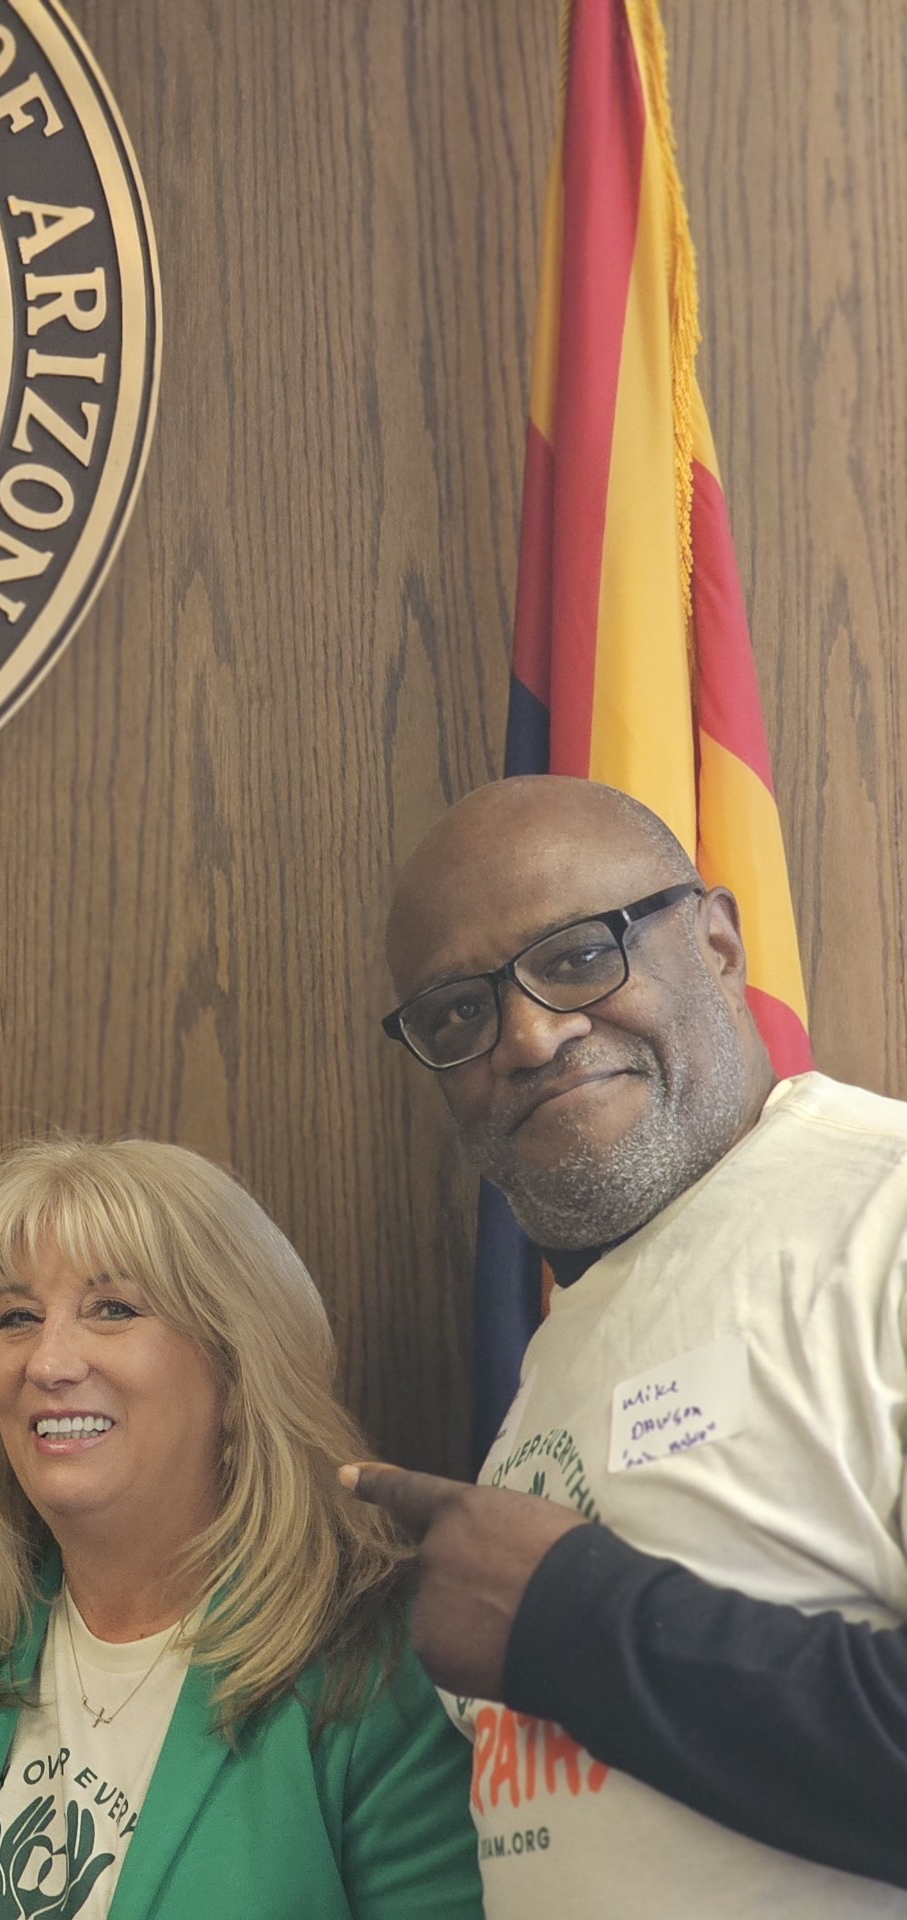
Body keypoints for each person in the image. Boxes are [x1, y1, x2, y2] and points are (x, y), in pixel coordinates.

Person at [353, 773, 907, 1912]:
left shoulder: (883, 1217)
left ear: (716, 945)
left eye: (576, 956)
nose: (529, 1034)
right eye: (456, 1013)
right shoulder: (567, 1349)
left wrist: (573, 1621)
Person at [0, 1137, 480, 1920]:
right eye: (18, 1318)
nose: (47, 1362)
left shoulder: (383, 1668)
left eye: (112, 1309)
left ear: (237, 1365)